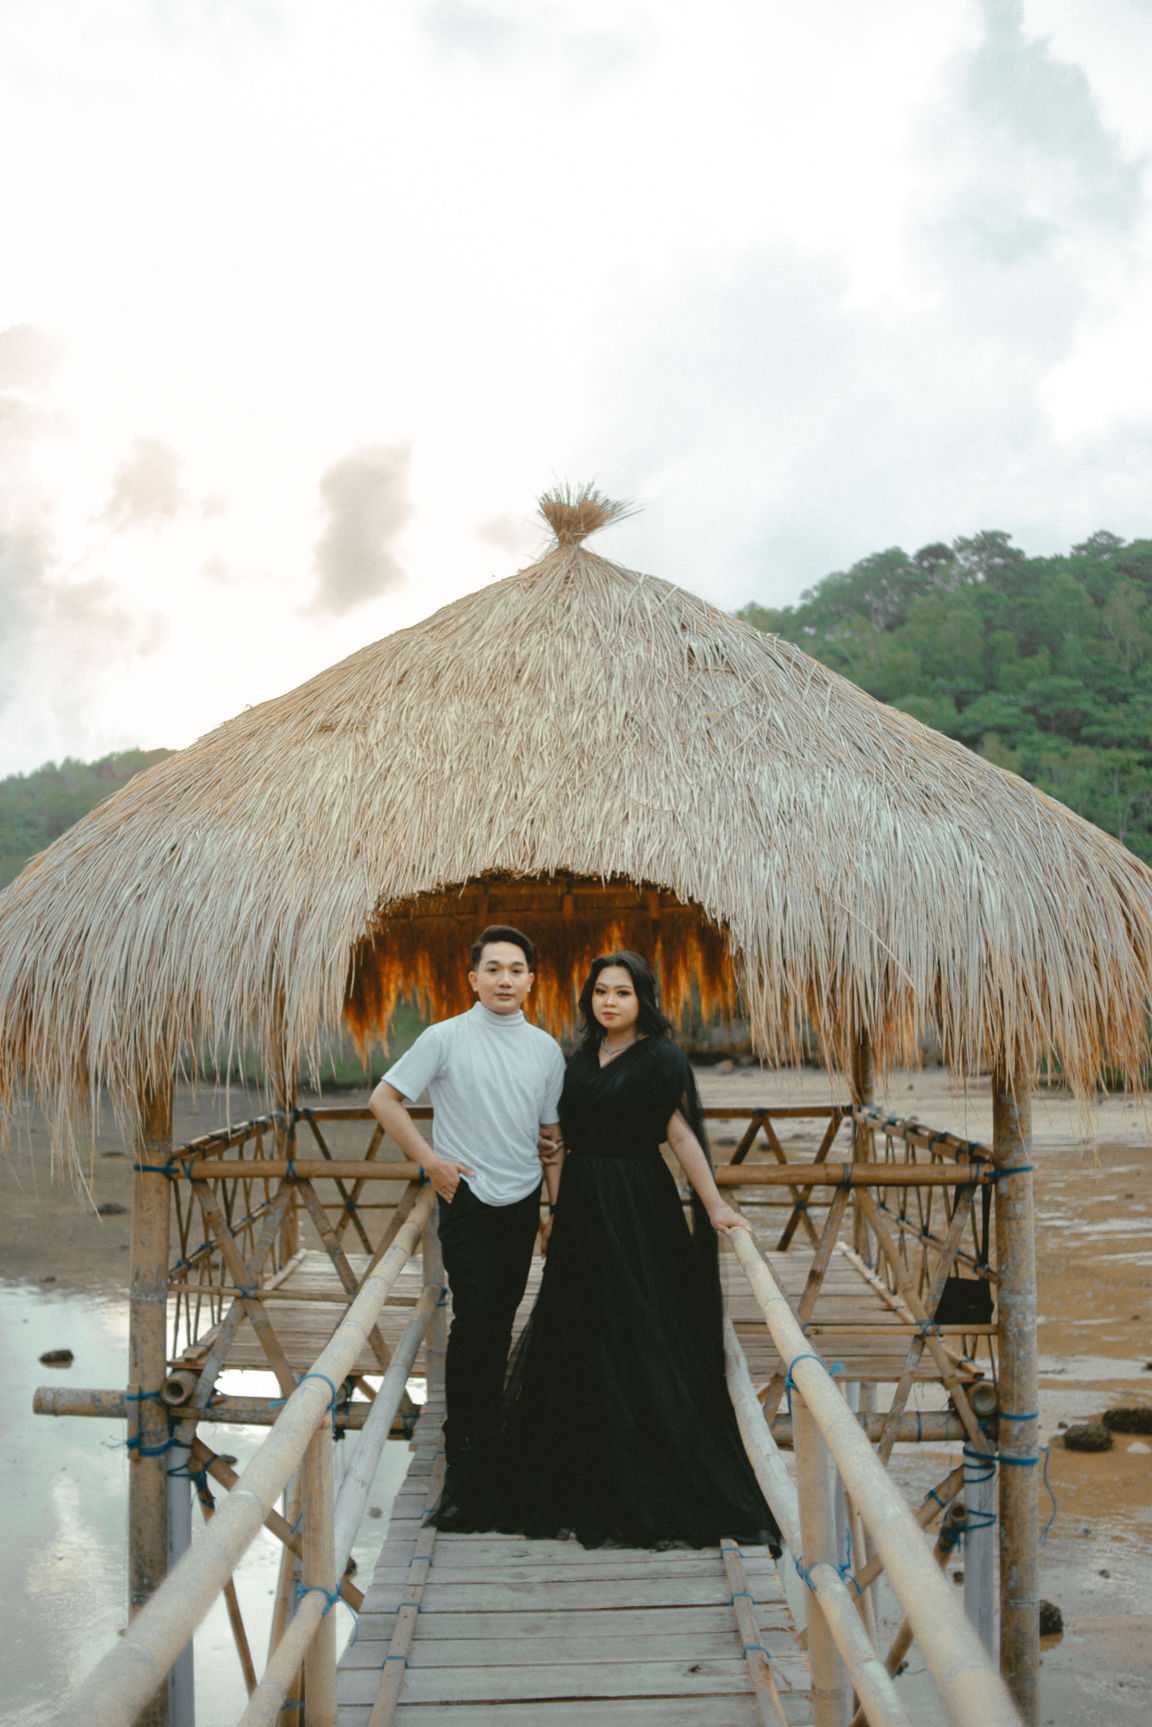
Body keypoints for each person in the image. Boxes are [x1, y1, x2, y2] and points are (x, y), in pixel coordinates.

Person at [433, 949, 782, 1554]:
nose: (610, 1002)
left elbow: (681, 1136)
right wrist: (553, 1199)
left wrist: (714, 1204)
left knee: (641, 1323)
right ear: (589, 999)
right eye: (600, 992)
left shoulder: (663, 1059)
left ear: (641, 999)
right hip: (582, 1205)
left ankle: (646, 1462)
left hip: (639, 1201)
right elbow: (558, 1137)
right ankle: (581, 1462)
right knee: (579, 1326)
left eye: (622, 992)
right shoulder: (578, 1060)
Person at [369, 925, 564, 1498]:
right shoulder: (445, 1037)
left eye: (516, 970)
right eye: (494, 969)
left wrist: (557, 1208)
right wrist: (431, 1162)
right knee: (474, 1319)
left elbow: (551, 1136)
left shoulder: (546, 1049)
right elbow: (384, 1099)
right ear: (473, 979)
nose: (505, 980)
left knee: (502, 1316)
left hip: (524, 1198)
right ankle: (463, 1448)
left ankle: (489, 1434)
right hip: (468, 1198)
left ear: (531, 980)